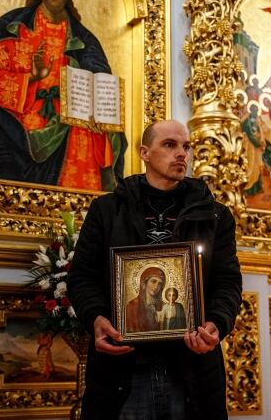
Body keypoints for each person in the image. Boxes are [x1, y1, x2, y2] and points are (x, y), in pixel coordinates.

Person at [67, 119, 243, 419]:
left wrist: (217, 323)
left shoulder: (214, 215)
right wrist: (95, 318)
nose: (182, 154)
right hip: (122, 369)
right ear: (144, 153)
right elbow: (82, 276)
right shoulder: (107, 211)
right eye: (170, 144)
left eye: (186, 146)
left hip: (191, 369)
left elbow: (227, 281)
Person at [0, 0, 126, 191]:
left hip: (68, 131)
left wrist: (98, 116)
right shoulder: (13, 25)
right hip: (17, 129)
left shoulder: (85, 40)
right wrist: (31, 77)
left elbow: (102, 90)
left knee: (88, 136)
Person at [125, 267, 166, 333]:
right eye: (153, 281)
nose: (156, 287)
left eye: (160, 284)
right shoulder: (132, 306)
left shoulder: (164, 306)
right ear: (145, 282)